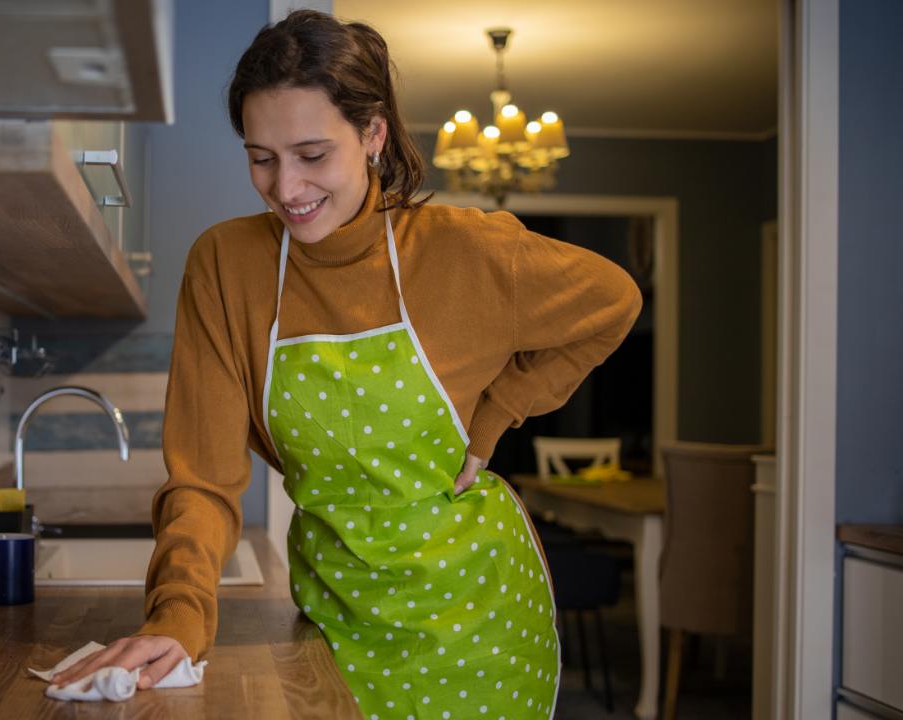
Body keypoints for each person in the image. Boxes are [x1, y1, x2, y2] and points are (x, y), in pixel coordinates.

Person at [50, 10, 641, 718]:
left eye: (311, 154)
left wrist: (493, 418)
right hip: (334, 617)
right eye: (260, 157)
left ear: (373, 135)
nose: (286, 187)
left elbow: (615, 299)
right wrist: (178, 617)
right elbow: (203, 478)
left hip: (480, 622)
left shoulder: (464, 251)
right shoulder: (226, 265)